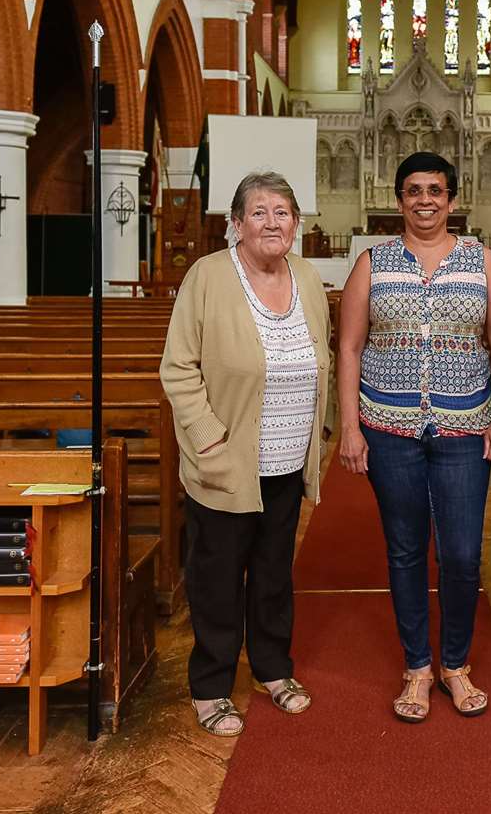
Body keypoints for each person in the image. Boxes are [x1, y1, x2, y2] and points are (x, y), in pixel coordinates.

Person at [337, 151, 491, 723]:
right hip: (388, 426)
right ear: (399, 200)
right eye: (414, 190)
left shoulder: (480, 260)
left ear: (452, 200)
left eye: (435, 190)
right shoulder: (373, 263)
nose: (425, 200)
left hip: (466, 424)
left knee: (462, 554)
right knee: (407, 549)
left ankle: (455, 665)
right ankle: (417, 666)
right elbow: (349, 346)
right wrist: (348, 428)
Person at [160, 171, 333, 737]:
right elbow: (178, 368)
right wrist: (209, 438)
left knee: (273, 574)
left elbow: (322, 353)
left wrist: (321, 431)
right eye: (258, 212)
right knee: (215, 578)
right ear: (236, 223)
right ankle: (210, 687)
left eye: (282, 212)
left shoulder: (306, 276)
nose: (271, 222)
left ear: (296, 224)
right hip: (226, 462)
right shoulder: (207, 276)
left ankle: (273, 669)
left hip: (286, 461)